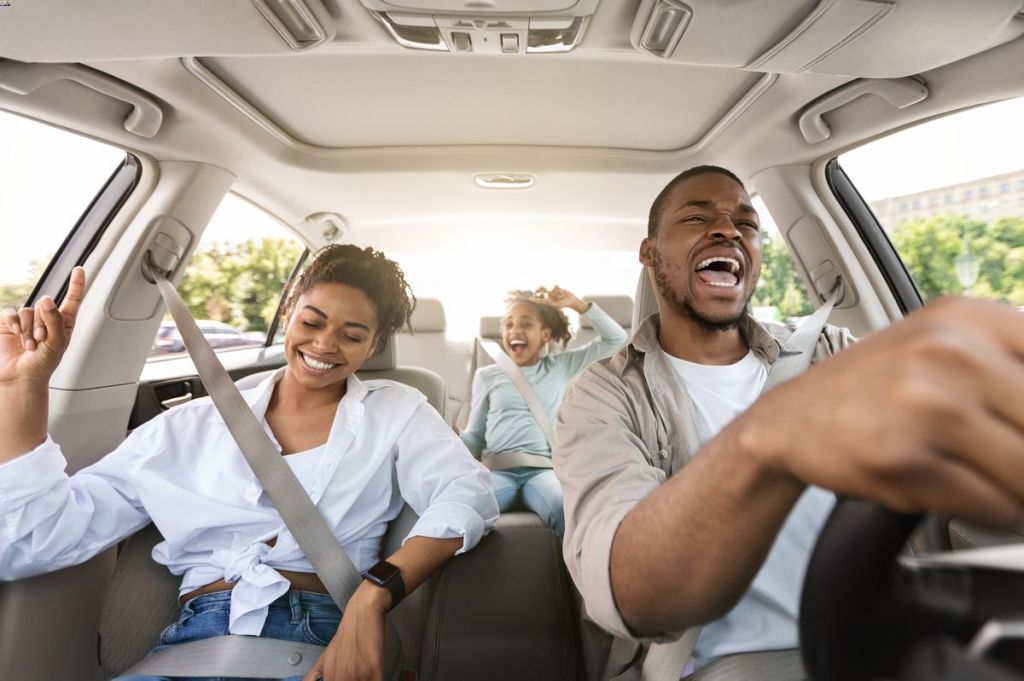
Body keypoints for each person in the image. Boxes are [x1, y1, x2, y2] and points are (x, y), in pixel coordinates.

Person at [555, 165, 1024, 678]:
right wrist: (771, 436)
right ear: (649, 253)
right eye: (696, 216)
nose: (728, 230)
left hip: (880, 643)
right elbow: (629, 591)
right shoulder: (605, 394)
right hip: (720, 666)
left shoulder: (828, 352)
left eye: (746, 223)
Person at [0, 244, 499, 681]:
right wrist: (25, 386)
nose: (324, 345)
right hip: (187, 646)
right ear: (288, 314)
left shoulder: (396, 409)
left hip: (322, 637)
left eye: (351, 334)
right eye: (312, 322)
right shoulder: (186, 427)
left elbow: (465, 495)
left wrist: (374, 596)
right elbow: (32, 539)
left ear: (374, 343)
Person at [460, 286, 627, 537]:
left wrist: (577, 305)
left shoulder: (559, 367)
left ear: (545, 335)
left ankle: (578, 576)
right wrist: (451, 437)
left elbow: (615, 339)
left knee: (565, 508)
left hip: (541, 473)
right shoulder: (487, 376)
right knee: (462, 509)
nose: (515, 331)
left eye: (525, 324)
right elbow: (474, 439)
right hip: (497, 473)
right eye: (508, 325)